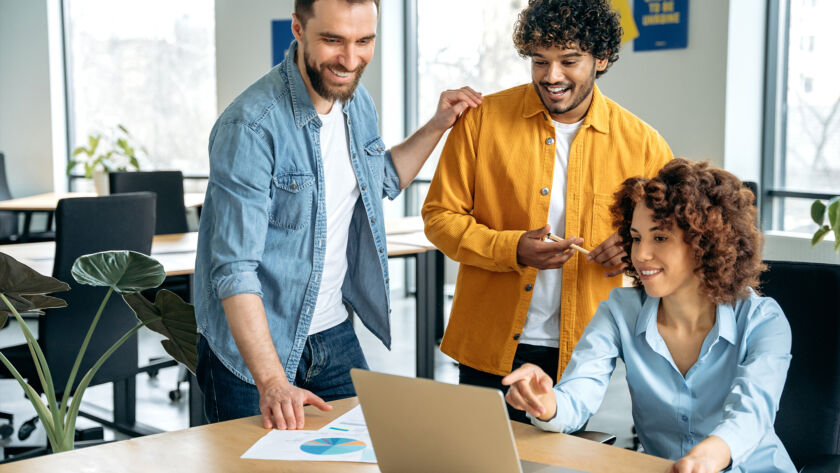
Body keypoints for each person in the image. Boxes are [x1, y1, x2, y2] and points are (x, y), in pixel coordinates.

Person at [194, 0, 482, 430]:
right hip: (255, 351)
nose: (350, 60)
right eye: (333, 41)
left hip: (331, 331)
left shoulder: (355, 102)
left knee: (361, 458)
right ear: (298, 28)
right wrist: (272, 381)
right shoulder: (251, 126)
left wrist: (438, 124)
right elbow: (234, 270)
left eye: (364, 41)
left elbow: (380, 178)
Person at [421, 0, 672, 422]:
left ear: (602, 59)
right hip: (488, 343)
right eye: (540, 61)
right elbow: (440, 217)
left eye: (569, 61)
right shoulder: (481, 122)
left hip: (584, 351)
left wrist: (632, 251)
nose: (551, 76)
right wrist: (512, 249)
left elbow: (672, 239)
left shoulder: (644, 145)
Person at [503, 159, 795, 473]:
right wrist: (546, 404)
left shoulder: (762, 320)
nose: (640, 254)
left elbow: (751, 414)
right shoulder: (619, 311)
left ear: (704, 243)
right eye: (636, 237)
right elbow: (579, 392)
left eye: (660, 238)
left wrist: (706, 459)